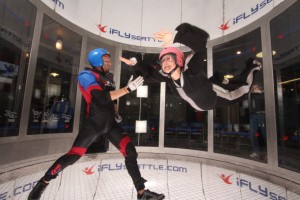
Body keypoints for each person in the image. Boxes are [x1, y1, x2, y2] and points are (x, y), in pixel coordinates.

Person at [28, 48, 165, 200]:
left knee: (130, 152)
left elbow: (112, 100)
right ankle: (42, 183)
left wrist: (116, 112)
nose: (110, 62)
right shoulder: (86, 75)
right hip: (94, 124)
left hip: (110, 125)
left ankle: (141, 193)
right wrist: (127, 89)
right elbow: (100, 98)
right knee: (73, 156)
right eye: (107, 59)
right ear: (98, 61)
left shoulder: (109, 79)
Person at [120, 23, 262, 111]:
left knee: (242, 90)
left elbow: (200, 47)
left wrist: (176, 37)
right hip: (204, 93)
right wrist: (135, 64)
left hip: (211, 98)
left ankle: (254, 66)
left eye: (168, 59)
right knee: (220, 82)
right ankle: (224, 81)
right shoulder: (167, 77)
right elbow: (148, 75)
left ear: (179, 62)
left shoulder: (191, 71)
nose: (165, 63)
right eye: (162, 61)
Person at [248, 84, 266, 159]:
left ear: (259, 87)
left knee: (265, 134)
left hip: (261, 114)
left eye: (256, 87)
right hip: (253, 115)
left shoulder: (263, 94)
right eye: (253, 87)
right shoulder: (251, 95)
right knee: (252, 134)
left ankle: (268, 152)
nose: (254, 88)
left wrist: (260, 92)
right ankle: (256, 152)